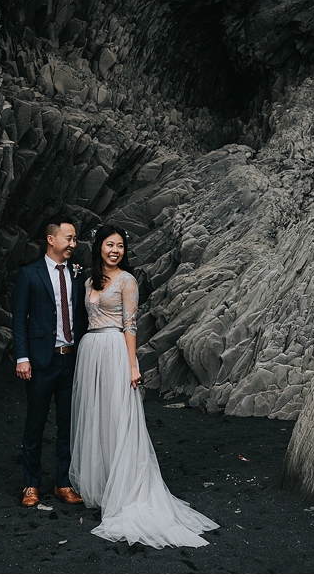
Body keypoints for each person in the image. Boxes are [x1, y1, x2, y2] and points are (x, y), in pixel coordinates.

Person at [70, 224, 218, 547]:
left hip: (114, 351)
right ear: (100, 248)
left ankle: (126, 491)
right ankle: (104, 485)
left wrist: (132, 366)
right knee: (97, 419)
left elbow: (130, 325)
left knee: (120, 419)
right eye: (110, 245)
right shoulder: (88, 281)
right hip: (90, 351)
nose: (115, 251)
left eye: (120, 246)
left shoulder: (127, 281)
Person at [11, 217, 87, 507]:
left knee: (67, 425)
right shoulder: (30, 274)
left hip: (71, 360)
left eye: (75, 238)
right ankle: (31, 485)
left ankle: (63, 483)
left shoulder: (78, 273)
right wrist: (22, 357)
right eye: (68, 238)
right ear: (51, 239)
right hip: (41, 361)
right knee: (35, 423)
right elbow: (19, 318)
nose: (73, 243)